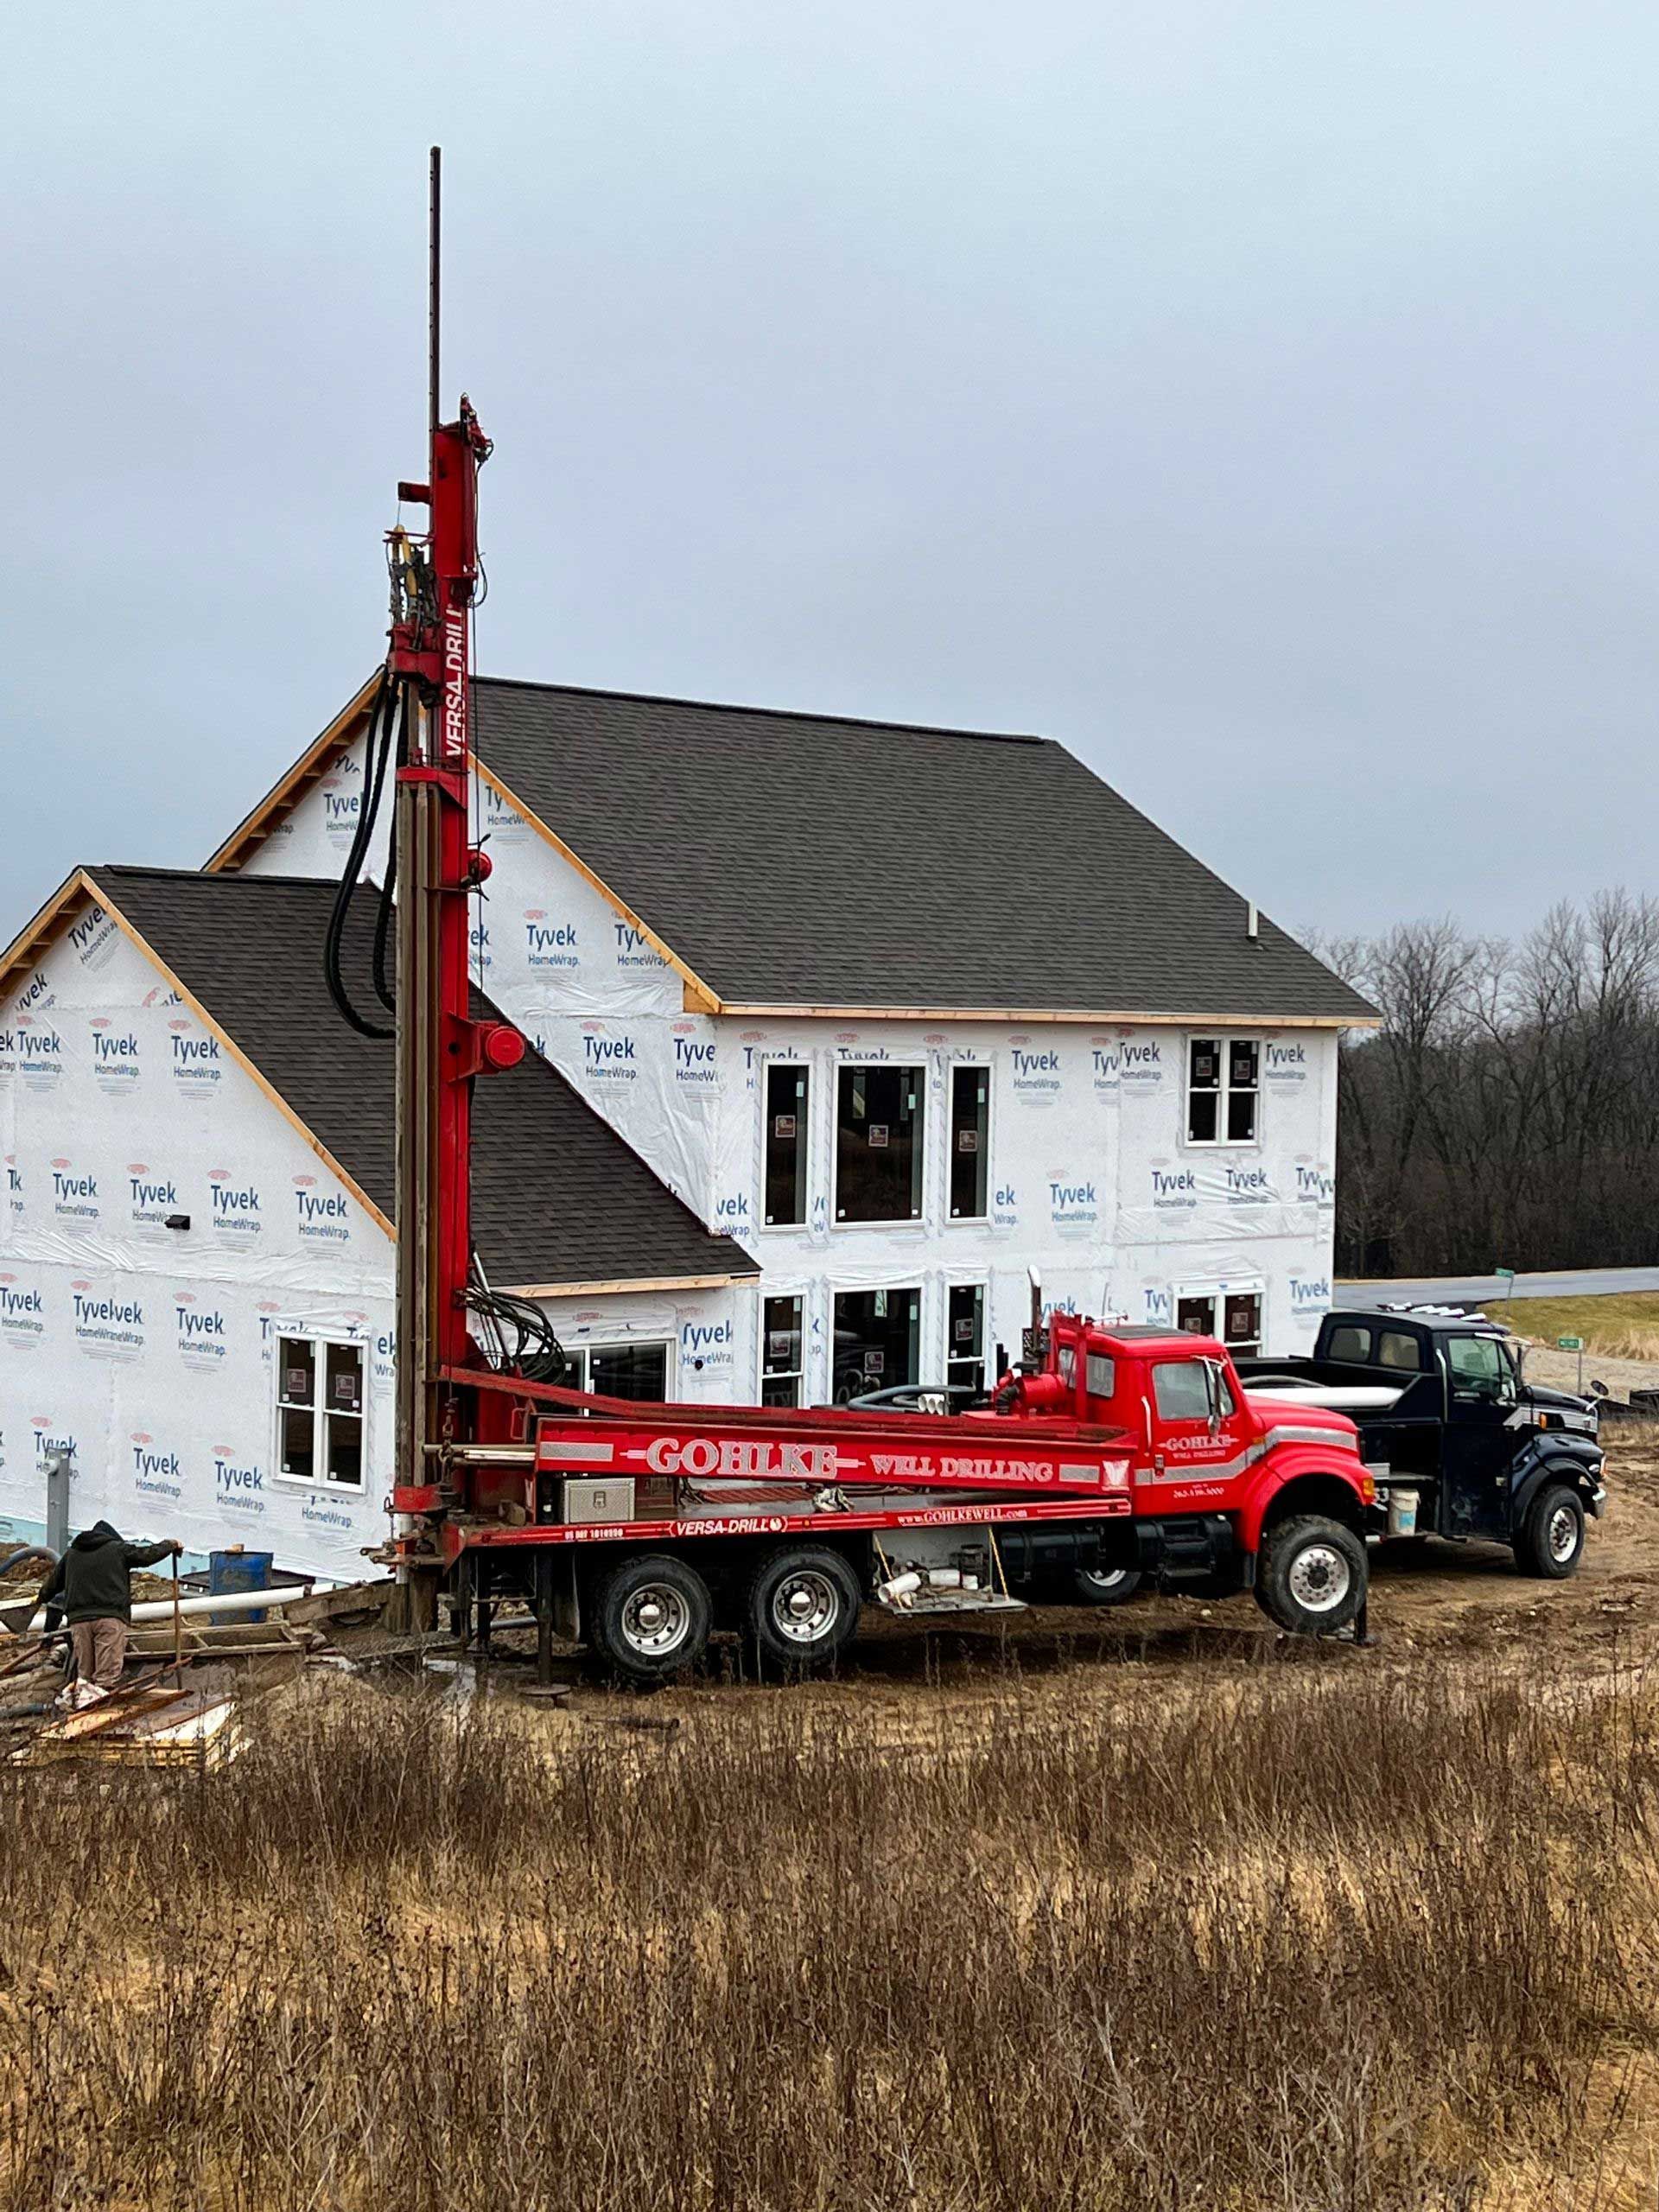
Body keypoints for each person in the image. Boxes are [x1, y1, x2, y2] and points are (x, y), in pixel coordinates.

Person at [34, 1522, 182, 1694]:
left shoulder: (72, 1554)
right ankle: (98, 1714)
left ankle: (82, 1710)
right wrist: (169, 1545)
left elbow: (52, 1586)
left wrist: (38, 1599)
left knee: (85, 1677)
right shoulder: (117, 1549)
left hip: (79, 1622)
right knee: (105, 1680)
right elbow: (146, 1555)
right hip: (109, 1619)